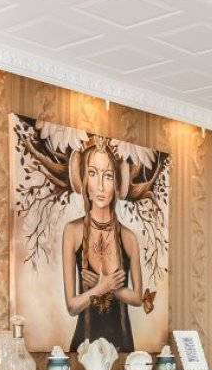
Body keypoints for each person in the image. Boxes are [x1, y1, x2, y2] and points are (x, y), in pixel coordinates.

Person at [61, 140, 152, 355]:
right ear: (84, 180)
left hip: (123, 349)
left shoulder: (128, 238)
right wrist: (99, 289)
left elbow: (137, 298)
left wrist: (107, 286)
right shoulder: (72, 232)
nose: (100, 185)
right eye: (93, 173)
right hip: (83, 351)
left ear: (117, 183)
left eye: (108, 176)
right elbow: (72, 306)